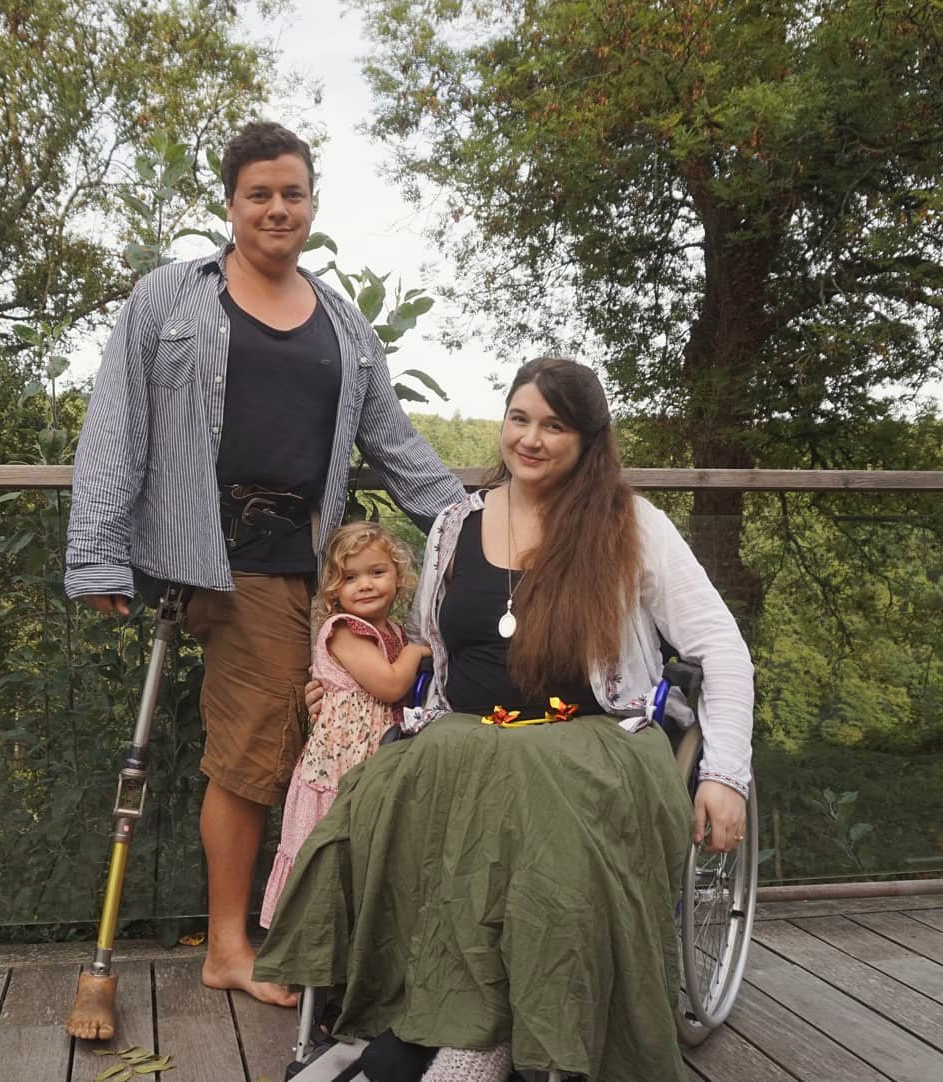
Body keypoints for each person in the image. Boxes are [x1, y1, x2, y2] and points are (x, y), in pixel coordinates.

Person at [64, 119, 465, 1028]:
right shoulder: (170, 298)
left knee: (324, 745)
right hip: (223, 561)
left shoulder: (342, 323)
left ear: (312, 205)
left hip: (310, 567)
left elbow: (394, 443)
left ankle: (303, 930)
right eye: (260, 194)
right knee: (252, 755)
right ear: (231, 204)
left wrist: (474, 526)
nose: (277, 208)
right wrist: (96, 553)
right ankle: (229, 951)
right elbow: (116, 424)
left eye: (293, 193)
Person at [254, 358, 754, 1081]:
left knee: (519, 798)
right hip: (465, 730)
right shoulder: (459, 522)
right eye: (520, 419)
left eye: (555, 426)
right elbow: (431, 648)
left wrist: (726, 774)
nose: (532, 438)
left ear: (588, 440)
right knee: (383, 796)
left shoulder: (630, 526)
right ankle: (428, 1025)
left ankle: (469, 1048)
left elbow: (721, 648)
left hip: (593, 739)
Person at [260, 522, 430, 928]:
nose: (365, 585)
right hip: (337, 770)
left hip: (368, 762)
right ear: (333, 591)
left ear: (399, 576)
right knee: (326, 850)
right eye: (350, 578)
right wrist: (418, 652)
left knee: (364, 853)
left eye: (377, 572)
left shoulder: (390, 631)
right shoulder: (344, 631)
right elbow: (389, 686)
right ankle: (302, 949)